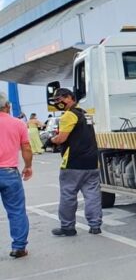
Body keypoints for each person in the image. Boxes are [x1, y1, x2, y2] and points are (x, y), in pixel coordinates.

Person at [48, 88, 102, 236]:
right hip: (92, 162)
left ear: (70, 98)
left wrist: (51, 140)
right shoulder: (86, 114)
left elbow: (61, 138)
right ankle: (95, 225)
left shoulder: (68, 115)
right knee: (92, 195)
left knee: (68, 195)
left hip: (73, 163)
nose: (58, 103)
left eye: (60, 100)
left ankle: (67, 227)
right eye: (56, 101)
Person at [0, 93, 32, 258]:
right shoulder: (18, 123)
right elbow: (26, 148)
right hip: (9, 172)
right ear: (8, 106)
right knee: (16, 211)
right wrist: (28, 166)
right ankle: (19, 247)